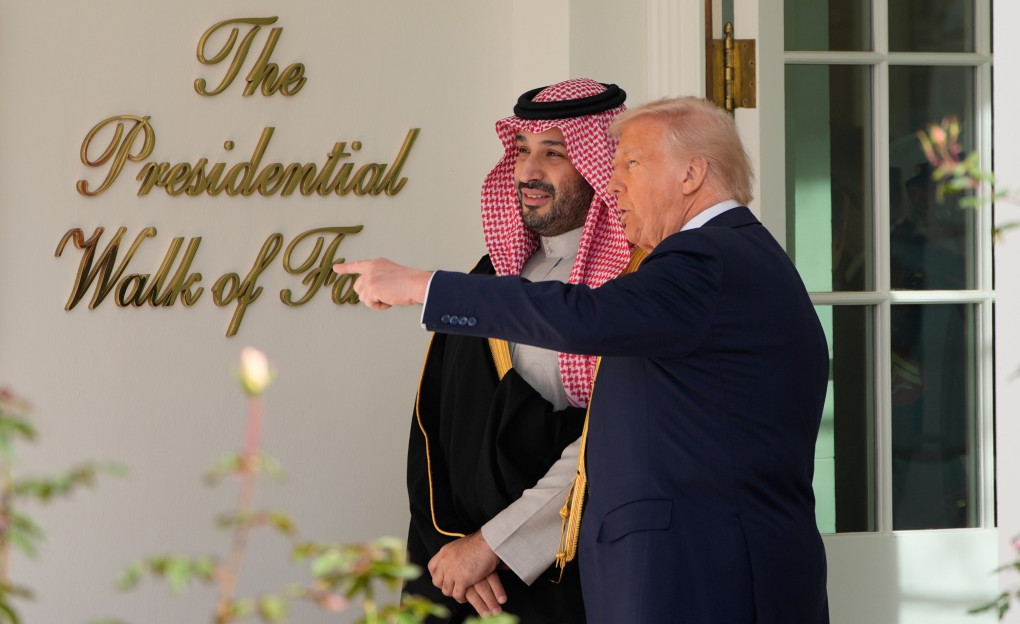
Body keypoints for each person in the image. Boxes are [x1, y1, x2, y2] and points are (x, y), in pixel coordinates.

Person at [336, 96, 831, 623]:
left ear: (692, 173)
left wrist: (421, 286)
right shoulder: (730, 257)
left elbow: (583, 316)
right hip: (695, 570)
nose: (612, 184)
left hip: (702, 575)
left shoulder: (706, 259)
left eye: (630, 164)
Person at [401, 78, 632, 622]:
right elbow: (435, 422)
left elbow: (610, 443)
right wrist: (448, 543)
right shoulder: (492, 276)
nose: (528, 171)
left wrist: (492, 545)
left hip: (566, 573)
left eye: (554, 153)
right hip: (462, 573)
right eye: (522, 150)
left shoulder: (631, 286)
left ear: (601, 165)